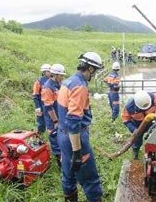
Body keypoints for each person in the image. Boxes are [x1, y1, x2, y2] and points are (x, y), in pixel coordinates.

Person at [57, 52, 104, 202]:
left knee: (68, 174)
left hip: (62, 135)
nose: (94, 74)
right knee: (90, 178)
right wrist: (77, 151)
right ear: (90, 69)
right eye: (95, 71)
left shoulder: (68, 82)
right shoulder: (80, 87)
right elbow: (73, 121)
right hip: (75, 138)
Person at [121, 90, 156, 160]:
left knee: (155, 137)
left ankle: (153, 152)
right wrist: (133, 129)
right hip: (137, 124)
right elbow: (125, 119)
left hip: (151, 121)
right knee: (137, 140)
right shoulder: (129, 106)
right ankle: (135, 152)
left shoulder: (152, 97)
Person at [42, 63, 66, 168]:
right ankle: (60, 164)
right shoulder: (48, 87)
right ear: (55, 75)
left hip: (60, 116)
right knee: (55, 138)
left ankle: (64, 158)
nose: (62, 77)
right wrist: (55, 121)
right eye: (61, 75)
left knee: (62, 137)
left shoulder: (59, 84)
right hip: (52, 119)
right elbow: (49, 107)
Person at [32, 64, 51, 134]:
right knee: (41, 123)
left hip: (48, 105)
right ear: (44, 72)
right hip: (40, 104)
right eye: (48, 71)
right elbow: (35, 95)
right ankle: (39, 135)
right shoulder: (39, 81)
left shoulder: (51, 81)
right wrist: (38, 108)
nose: (50, 73)